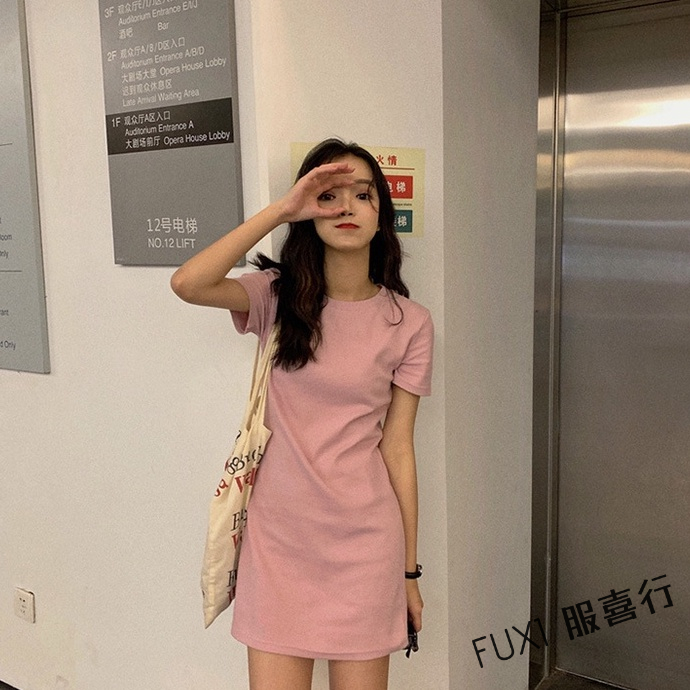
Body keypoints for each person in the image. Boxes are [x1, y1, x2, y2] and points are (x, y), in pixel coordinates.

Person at [171, 138, 433, 690]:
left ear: (381, 213)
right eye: (328, 195)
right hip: (279, 544)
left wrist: (409, 572)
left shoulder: (409, 322)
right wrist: (282, 210)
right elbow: (188, 284)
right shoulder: (275, 297)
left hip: (365, 546)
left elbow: (398, 448)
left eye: (362, 194)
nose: (345, 207)